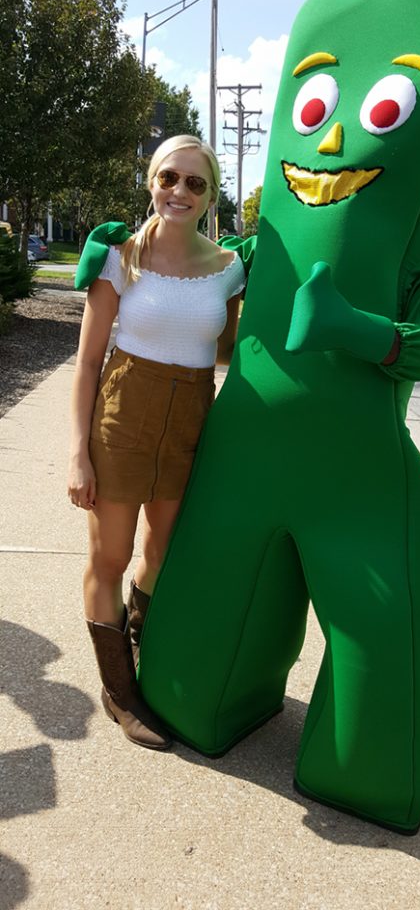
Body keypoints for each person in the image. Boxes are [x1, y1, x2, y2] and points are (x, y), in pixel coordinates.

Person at [67, 135, 245, 750]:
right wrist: (78, 451)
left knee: (164, 551)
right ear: (152, 180)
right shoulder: (121, 256)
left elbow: (228, 351)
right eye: (171, 177)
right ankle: (120, 694)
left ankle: (145, 659)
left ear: (209, 196)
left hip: (192, 415)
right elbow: (88, 362)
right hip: (123, 412)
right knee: (110, 558)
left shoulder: (229, 268)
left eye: (196, 183)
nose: (180, 192)